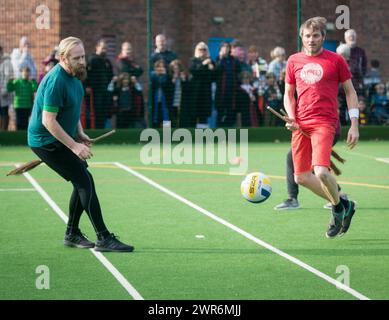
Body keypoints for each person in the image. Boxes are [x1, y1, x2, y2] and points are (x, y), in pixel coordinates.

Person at [27, 37, 134, 252]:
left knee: (82, 179)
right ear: (63, 58)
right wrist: (74, 146)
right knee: (85, 182)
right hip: (45, 141)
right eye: (77, 58)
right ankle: (103, 238)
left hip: (58, 137)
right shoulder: (56, 80)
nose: (82, 61)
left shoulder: (75, 77)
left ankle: (72, 233)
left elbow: (71, 108)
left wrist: (79, 133)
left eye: (83, 56)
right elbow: (49, 120)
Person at [283, 17, 359, 238]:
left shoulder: (335, 60)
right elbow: (288, 94)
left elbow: (350, 92)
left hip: (325, 123)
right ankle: (344, 203)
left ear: (323, 38)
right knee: (301, 177)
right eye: (307, 35)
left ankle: (337, 208)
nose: (311, 40)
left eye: (316, 35)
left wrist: (354, 124)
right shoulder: (293, 61)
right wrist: (291, 117)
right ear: (301, 37)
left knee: (322, 172)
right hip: (300, 126)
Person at [0, 45, 14, 131]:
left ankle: (4, 131)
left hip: (3, 94)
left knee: (4, 112)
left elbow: (8, 77)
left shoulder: (7, 62)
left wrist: (4, 90)